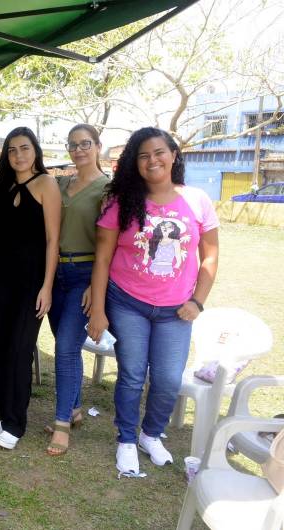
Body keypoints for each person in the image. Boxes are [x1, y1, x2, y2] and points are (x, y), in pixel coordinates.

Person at [87, 127, 219, 474]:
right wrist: (98, 310)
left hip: (177, 309)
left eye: (159, 152)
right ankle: (127, 439)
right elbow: (102, 258)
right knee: (131, 374)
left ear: (174, 155)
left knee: (168, 379)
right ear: (135, 163)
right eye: (143, 155)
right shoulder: (122, 202)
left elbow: (210, 256)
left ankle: (151, 434)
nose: (152, 160)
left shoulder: (197, 200)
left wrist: (198, 301)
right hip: (127, 301)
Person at [0, 127, 61, 450]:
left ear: (35, 150)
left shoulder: (46, 183)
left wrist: (47, 286)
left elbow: (53, 240)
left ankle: (16, 422)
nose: (18, 155)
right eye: (11, 150)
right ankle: (4, 413)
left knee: (20, 348)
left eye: (24, 148)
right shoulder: (1, 187)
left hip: (31, 280)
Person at [45, 124, 110, 456]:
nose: (79, 149)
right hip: (56, 273)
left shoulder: (108, 188)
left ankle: (61, 426)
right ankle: (75, 408)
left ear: (98, 146)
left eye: (85, 143)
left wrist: (96, 288)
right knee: (64, 343)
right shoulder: (60, 183)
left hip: (85, 274)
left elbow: (112, 245)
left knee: (67, 349)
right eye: (73, 145)